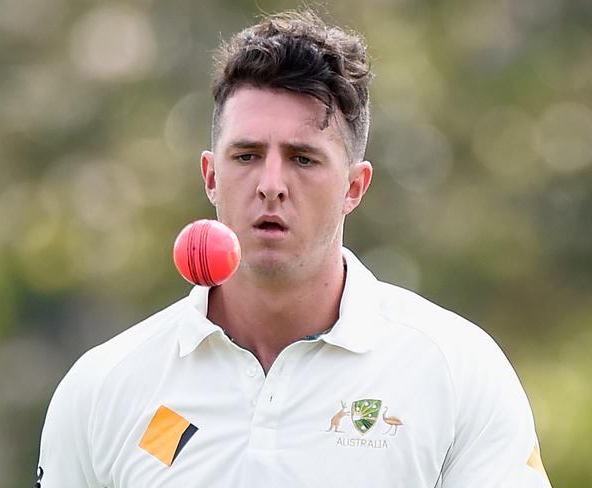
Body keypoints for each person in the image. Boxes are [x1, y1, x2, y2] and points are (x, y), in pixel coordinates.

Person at [34, 10, 552, 488]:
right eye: (247, 155)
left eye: (303, 159)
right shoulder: (102, 386)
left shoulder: (457, 370)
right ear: (211, 176)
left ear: (355, 187)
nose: (271, 184)